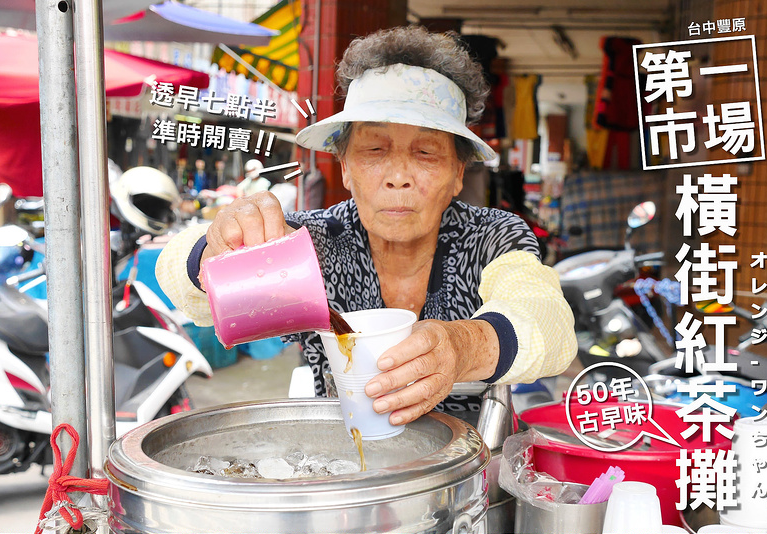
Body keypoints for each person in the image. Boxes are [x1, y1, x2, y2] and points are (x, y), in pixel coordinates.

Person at [156, 26, 577, 426]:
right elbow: (177, 278)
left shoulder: (493, 237)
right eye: (375, 150)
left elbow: (548, 324)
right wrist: (215, 248)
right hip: (346, 465)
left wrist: (463, 346)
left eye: (426, 152)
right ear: (345, 169)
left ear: (458, 173)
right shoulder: (314, 244)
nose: (398, 176)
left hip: (465, 468)